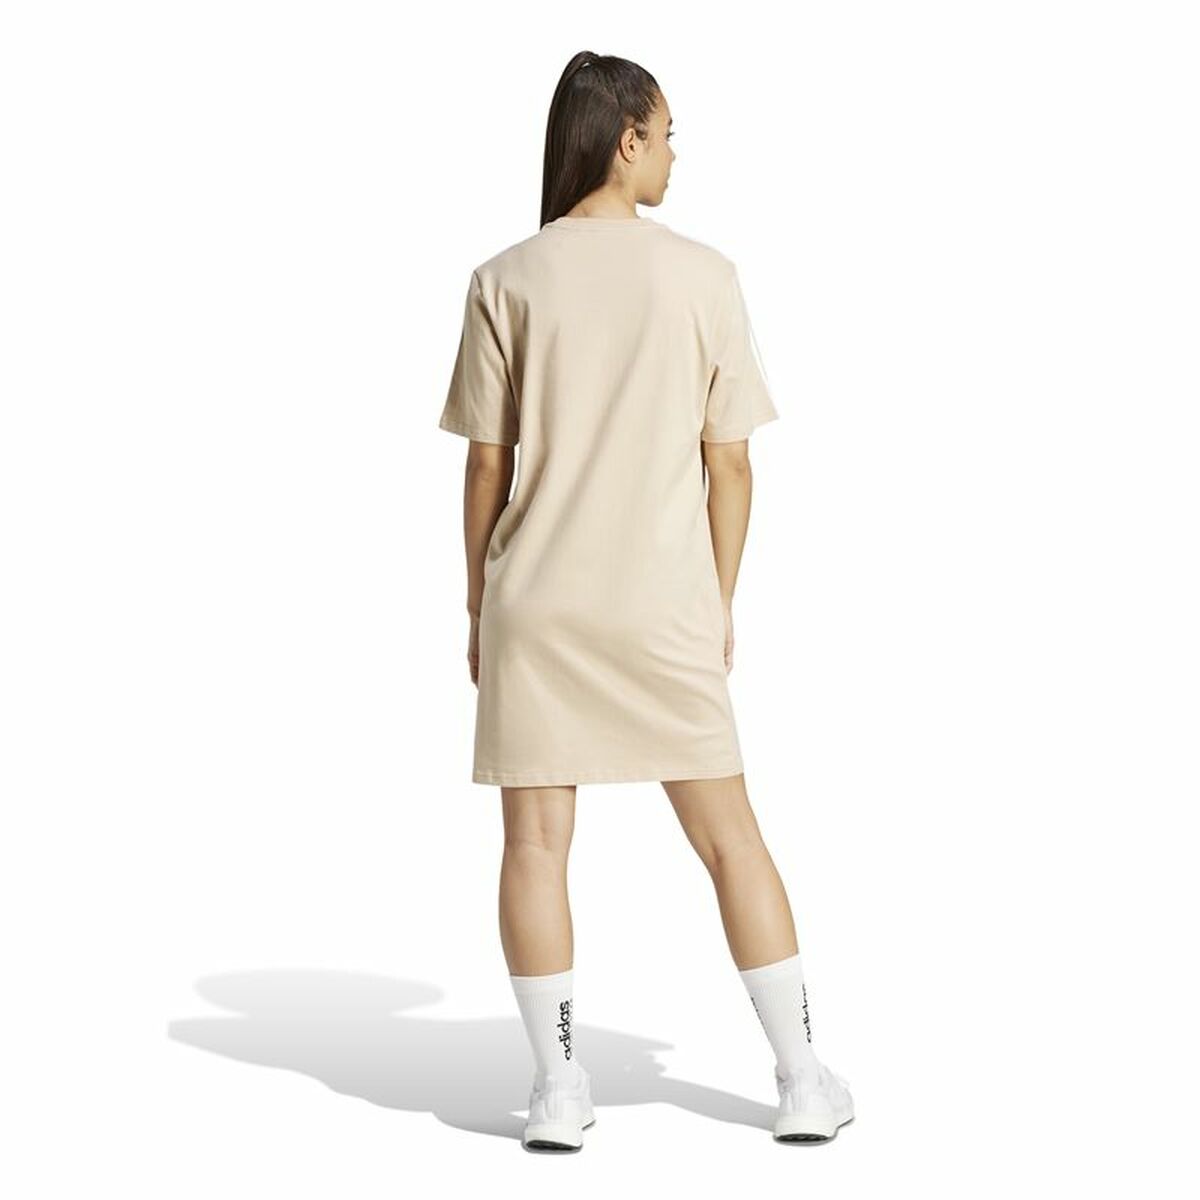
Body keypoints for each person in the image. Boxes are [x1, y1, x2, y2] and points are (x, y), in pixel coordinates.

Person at [439, 51, 854, 1151]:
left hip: (538, 607)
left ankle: (557, 1090)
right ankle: (803, 1078)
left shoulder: (504, 279)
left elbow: (485, 465)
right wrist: (717, 601)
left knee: (536, 847)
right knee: (733, 841)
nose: (674, 154)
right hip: (664, 605)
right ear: (626, 140)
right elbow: (732, 465)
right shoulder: (705, 277)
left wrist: (479, 606)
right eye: (667, 134)